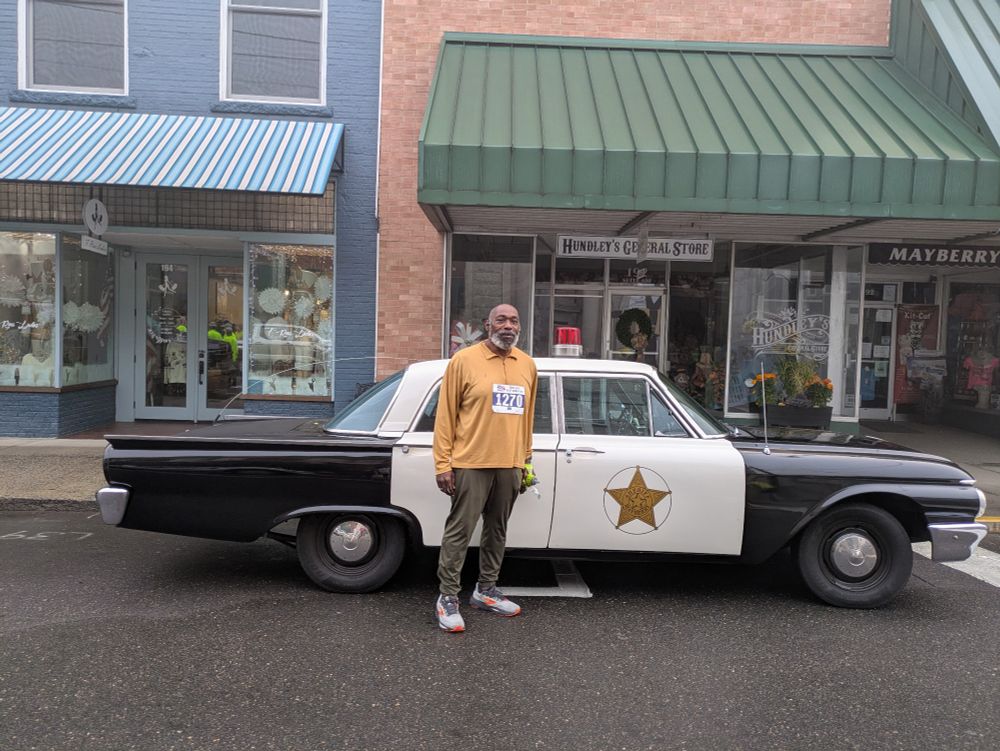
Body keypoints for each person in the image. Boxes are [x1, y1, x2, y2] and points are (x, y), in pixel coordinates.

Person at [432, 303, 537, 633]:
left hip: (510, 464)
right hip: (470, 462)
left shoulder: (528, 365)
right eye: (501, 320)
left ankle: (485, 589)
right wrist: (443, 464)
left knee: (497, 529)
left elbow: (528, 419)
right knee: (459, 531)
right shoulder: (464, 360)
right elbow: (445, 416)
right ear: (487, 324)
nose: (508, 326)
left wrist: (526, 461)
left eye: (514, 321)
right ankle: (447, 597)